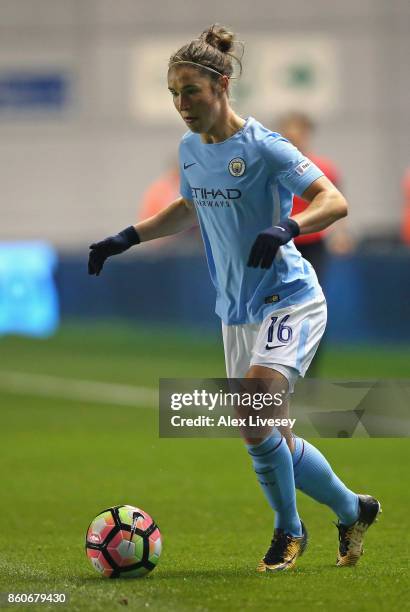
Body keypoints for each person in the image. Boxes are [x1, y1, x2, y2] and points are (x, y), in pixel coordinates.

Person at [88, 24, 380, 573]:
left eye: (190, 90)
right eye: (173, 93)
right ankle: (353, 508)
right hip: (237, 310)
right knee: (272, 432)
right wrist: (126, 237)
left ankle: (289, 532)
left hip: (288, 297)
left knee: (251, 410)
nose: (181, 104)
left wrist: (288, 227)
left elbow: (333, 201)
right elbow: (188, 206)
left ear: (221, 85)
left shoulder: (266, 147)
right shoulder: (191, 149)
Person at [277, 112, 353, 374]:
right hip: (281, 243)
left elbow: (335, 202)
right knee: (277, 304)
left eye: (298, 132)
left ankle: (309, 368)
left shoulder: (322, 168)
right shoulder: (274, 166)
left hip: (313, 243)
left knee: (312, 304)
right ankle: (276, 364)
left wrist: (341, 234)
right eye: (289, 132)